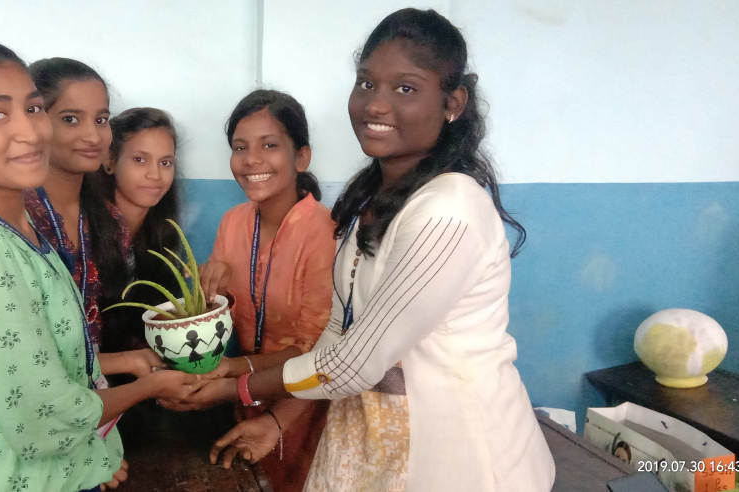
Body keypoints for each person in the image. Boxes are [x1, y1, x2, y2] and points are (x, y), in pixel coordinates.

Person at [178, 9, 556, 492]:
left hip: (458, 453)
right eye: (366, 83)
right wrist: (268, 416)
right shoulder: (369, 201)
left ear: (452, 103)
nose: (375, 104)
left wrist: (235, 388)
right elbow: (337, 335)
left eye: (405, 88)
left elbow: (353, 364)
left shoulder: (450, 209)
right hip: (373, 440)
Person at [0, 38, 204, 492]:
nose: (29, 131)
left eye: (32, 108)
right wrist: (151, 387)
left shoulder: (22, 233)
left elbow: (61, 364)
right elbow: (44, 420)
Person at [197, 90, 336, 492]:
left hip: (305, 403)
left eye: (269, 145)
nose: (251, 159)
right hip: (246, 401)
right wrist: (208, 296)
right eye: (240, 147)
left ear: (301, 157)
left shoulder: (326, 231)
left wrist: (230, 372)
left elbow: (313, 352)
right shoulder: (233, 222)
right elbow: (217, 321)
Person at [22, 58, 162, 377]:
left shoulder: (109, 220)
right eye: (70, 119)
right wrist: (135, 367)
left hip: (96, 392)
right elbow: (23, 360)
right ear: (34, 122)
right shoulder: (16, 222)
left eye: (101, 120)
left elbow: (108, 325)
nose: (93, 136)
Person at [84, 107, 183, 353]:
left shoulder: (161, 234)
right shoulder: (86, 234)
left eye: (165, 162)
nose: (155, 174)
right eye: (140, 159)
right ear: (109, 161)